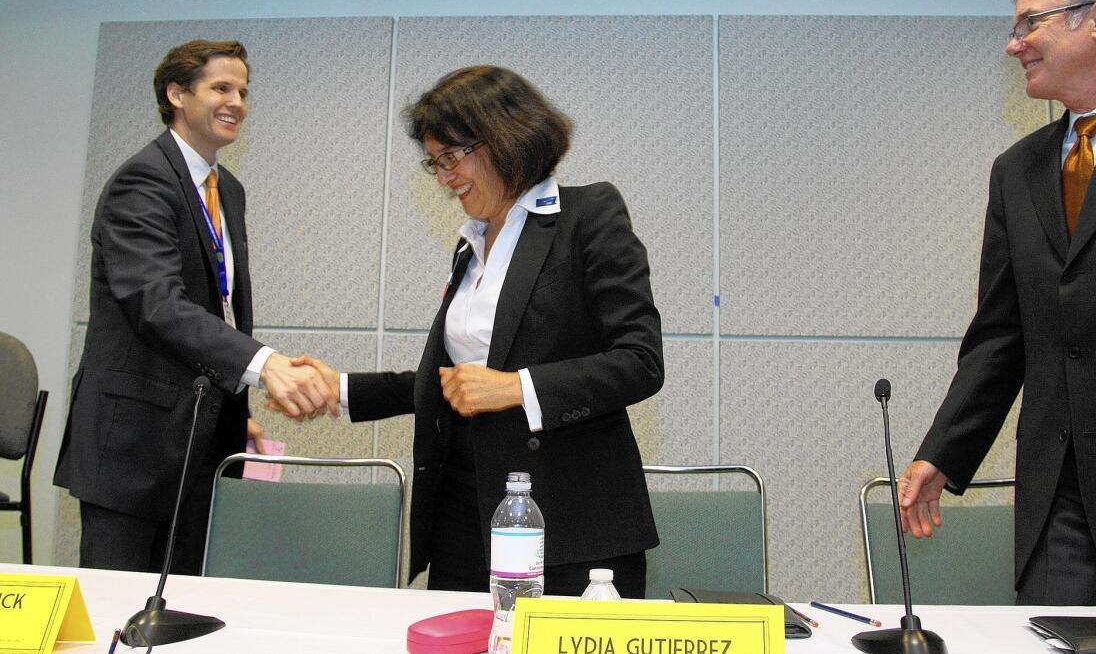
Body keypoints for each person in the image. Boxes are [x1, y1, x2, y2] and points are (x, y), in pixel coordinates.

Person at [280, 65, 664, 596]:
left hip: (571, 527)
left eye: (452, 157)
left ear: (506, 136)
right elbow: (452, 381)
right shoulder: (471, 244)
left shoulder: (588, 215)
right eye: (435, 164)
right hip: (465, 516)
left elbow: (639, 361)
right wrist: (339, 390)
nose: (444, 177)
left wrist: (516, 387)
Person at [899, 0, 1096, 607]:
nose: (1014, 45)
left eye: (1031, 23)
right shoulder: (1019, 169)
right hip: (1056, 500)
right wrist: (944, 452)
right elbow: (1002, 335)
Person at [54, 39, 339, 574]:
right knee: (120, 611)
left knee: (189, 608)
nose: (237, 102)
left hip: (201, 437)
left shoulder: (225, 187)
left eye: (244, 91)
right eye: (221, 88)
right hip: (134, 448)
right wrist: (265, 365)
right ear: (177, 94)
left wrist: (233, 408)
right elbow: (158, 305)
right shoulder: (142, 181)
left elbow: (217, 309)